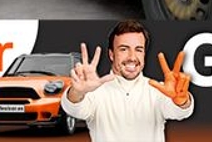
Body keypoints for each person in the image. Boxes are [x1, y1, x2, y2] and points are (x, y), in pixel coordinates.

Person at [61, 20, 193, 142]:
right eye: (124, 49)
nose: (132, 57)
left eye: (138, 50)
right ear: (111, 54)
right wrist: (77, 92)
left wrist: (182, 102)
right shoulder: (95, 92)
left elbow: (179, 113)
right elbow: (74, 109)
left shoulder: (158, 90)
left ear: (144, 54)